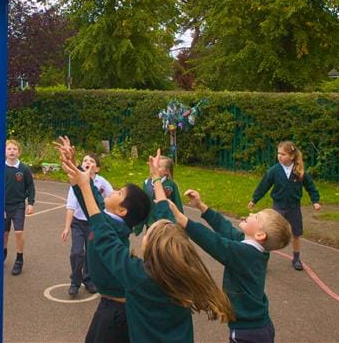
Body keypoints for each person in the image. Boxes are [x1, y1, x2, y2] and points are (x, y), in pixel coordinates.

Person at [57, 148, 234, 343]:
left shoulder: (139, 276)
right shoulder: (175, 274)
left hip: (114, 312)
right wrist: (156, 178)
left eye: (149, 231)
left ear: (151, 247)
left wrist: (84, 185)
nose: (147, 231)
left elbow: (103, 233)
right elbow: (165, 215)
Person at [54, 136, 155, 343]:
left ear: (122, 210)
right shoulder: (108, 217)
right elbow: (87, 192)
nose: (113, 191)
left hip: (119, 310)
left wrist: (83, 181)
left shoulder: (115, 229)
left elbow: (90, 198)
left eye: (119, 192)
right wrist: (71, 163)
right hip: (109, 303)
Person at [171, 189, 292, 343]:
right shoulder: (253, 248)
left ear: (260, 235)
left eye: (256, 217)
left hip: (248, 332)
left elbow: (215, 243)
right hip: (259, 327)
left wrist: (183, 220)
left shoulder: (245, 254)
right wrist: (201, 206)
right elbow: (225, 228)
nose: (250, 214)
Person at [248, 140, 321, 270]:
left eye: (283, 154)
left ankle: (296, 258)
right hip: (278, 207)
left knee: (296, 234)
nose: (280, 156)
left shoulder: (299, 171)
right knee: (270, 233)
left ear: (292, 156)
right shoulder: (274, 171)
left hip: (294, 207)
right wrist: (254, 199)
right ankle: (263, 260)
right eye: (278, 153)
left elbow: (310, 187)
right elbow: (263, 186)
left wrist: (315, 201)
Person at [61, 152, 113, 296]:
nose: (87, 162)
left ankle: (88, 279)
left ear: (97, 168)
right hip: (78, 223)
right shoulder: (76, 180)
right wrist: (66, 227)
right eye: (84, 160)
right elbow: (71, 206)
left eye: (91, 161)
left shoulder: (101, 182)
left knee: (91, 254)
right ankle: (75, 281)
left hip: (93, 223)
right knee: (77, 253)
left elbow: (112, 196)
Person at [3, 139, 35, 275]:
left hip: (18, 206)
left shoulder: (24, 169)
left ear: (19, 152)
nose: (12, 151)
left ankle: (19, 259)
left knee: (18, 232)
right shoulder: (0, 167)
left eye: (14, 149)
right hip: (3, 206)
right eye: (9, 149)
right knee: (4, 234)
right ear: (4, 151)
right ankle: (3, 252)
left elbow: (30, 187)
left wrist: (31, 203)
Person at [134, 154, 183, 234]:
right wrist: (138, 226)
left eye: (159, 166)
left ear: (167, 171)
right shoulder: (147, 183)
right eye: (154, 165)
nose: (155, 168)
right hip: (150, 224)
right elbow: (143, 205)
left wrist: (181, 224)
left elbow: (178, 204)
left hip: (166, 224)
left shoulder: (171, 184)